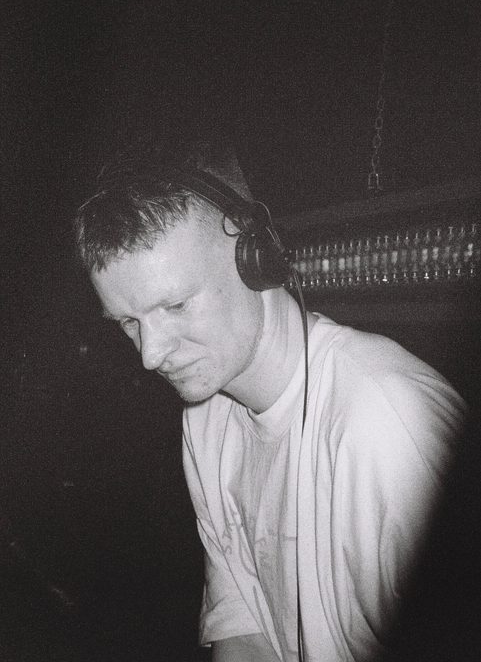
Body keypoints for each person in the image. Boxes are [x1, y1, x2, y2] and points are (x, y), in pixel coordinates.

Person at [74, 143, 466, 662]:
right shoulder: (205, 418)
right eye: (129, 322)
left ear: (254, 259)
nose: (150, 355)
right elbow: (246, 625)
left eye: (175, 305)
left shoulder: (388, 423)